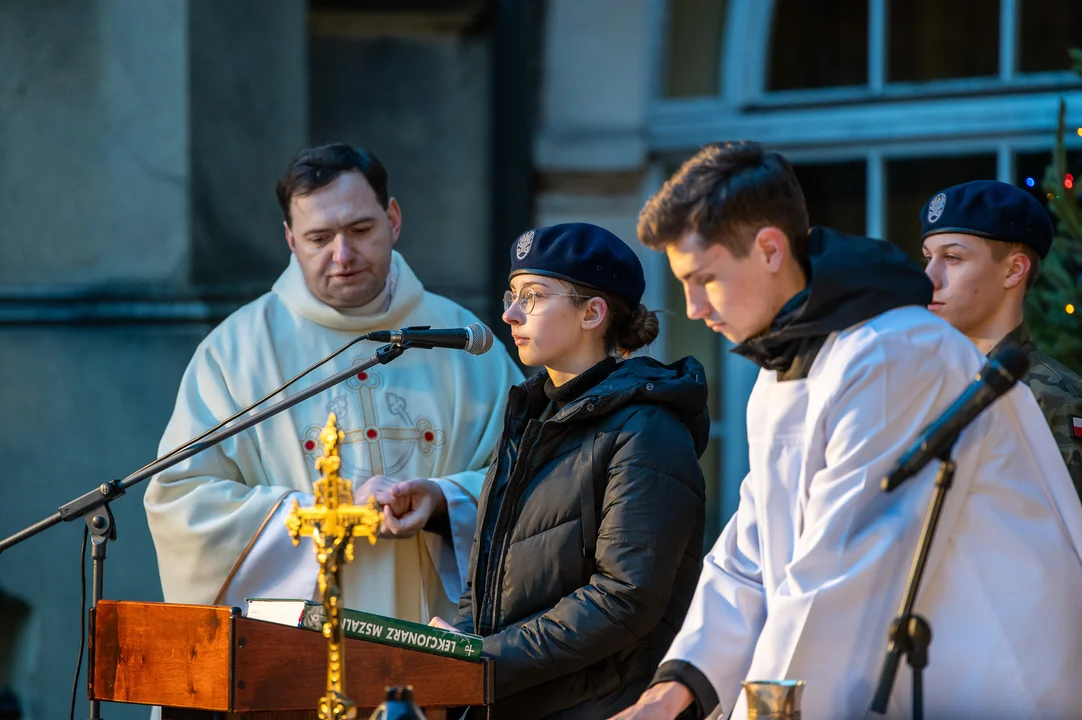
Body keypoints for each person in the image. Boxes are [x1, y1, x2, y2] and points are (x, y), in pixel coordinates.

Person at [611, 141, 1082, 720]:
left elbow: (844, 573)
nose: (692, 307)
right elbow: (750, 553)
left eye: (704, 278)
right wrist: (673, 693)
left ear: (768, 249)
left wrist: (759, 711)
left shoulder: (896, 350)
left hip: (997, 678)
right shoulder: (785, 364)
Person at [143, 143, 523, 625]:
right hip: (292, 654)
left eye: (360, 229)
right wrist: (326, 515)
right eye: (319, 238)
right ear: (290, 240)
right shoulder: (236, 353)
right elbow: (181, 499)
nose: (342, 255)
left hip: (437, 645)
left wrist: (443, 501)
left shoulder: (463, 342)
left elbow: (531, 480)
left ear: (394, 219)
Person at [430, 223, 709, 719]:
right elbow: (486, 576)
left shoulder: (647, 429)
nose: (509, 313)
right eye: (512, 295)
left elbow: (625, 597)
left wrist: (481, 660)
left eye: (533, 296)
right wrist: (460, 650)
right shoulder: (530, 418)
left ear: (592, 313)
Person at [920, 179, 1082, 497]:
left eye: (952, 258)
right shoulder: (925, 384)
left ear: (1013, 271)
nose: (930, 278)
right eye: (928, 258)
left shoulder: (1054, 399)